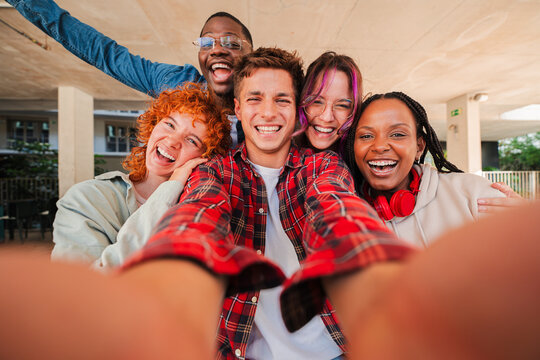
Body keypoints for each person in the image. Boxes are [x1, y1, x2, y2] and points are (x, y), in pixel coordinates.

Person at [6, 0, 252, 145]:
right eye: (207, 43)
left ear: (252, 54)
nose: (217, 50)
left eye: (232, 43)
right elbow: (106, 54)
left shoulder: (271, 100)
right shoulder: (178, 84)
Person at [52, 84, 231, 268]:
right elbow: (84, 288)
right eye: (169, 124)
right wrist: (172, 186)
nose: (172, 141)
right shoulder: (87, 198)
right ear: (153, 126)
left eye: (192, 140)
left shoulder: (199, 211)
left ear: (205, 157)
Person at [340, 92, 506, 247]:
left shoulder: (473, 193)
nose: (380, 146)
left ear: (419, 146)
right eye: (366, 136)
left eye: (397, 134)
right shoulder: (342, 214)